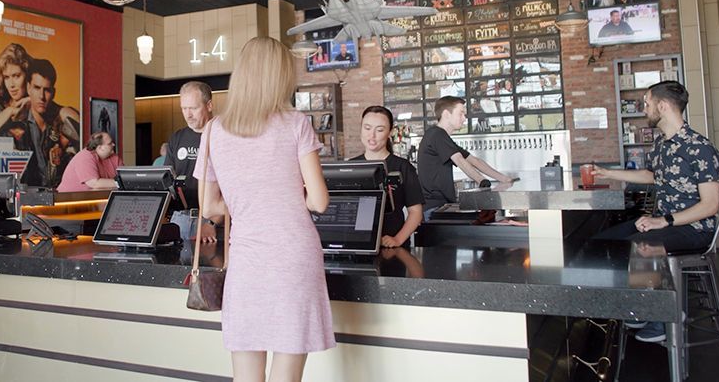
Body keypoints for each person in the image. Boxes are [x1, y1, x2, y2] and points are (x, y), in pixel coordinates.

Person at [195, 36, 334, 381]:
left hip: (246, 261)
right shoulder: (295, 123)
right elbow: (318, 201)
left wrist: (248, 200)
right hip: (293, 257)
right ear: (280, 76)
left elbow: (209, 206)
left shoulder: (213, 130)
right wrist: (285, 196)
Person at [592, 81, 719, 344]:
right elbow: (651, 175)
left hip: (694, 229)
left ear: (662, 106)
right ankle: (639, 305)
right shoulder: (662, 143)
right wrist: (609, 173)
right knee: (602, 243)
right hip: (665, 224)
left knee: (640, 247)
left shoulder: (700, 147)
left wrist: (663, 221)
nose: (644, 109)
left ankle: (663, 315)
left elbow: (711, 205)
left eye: (647, 103)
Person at [420, 96, 514, 220]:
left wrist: (504, 179)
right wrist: (481, 180)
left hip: (441, 206)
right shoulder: (437, 134)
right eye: (460, 114)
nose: (464, 118)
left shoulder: (442, 137)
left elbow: (474, 161)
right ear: (446, 114)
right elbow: (459, 160)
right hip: (434, 208)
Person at [348, 106, 424, 248]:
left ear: (390, 132)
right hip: (357, 244)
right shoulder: (350, 167)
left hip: (392, 247)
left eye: (380, 130)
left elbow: (416, 212)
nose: (372, 135)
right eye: (367, 128)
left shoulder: (403, 167)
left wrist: (397, 240)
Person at [164, 81, 218, 243]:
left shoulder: (222, 135)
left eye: (193, 108)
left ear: (209, 105)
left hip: (212, 220)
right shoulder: (177, 137)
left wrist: (212, 222)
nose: (188, 115)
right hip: (179, 218)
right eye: (184, 108)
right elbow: (167, 179)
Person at [18, 58, 79, 187]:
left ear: (53, 93)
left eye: (47, 90)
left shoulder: (60, 119)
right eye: (37, 88)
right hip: (27, 194)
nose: (41, 96)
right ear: (28, 88)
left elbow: (86, 135)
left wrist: (62, 110)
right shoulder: (18, 124)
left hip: (58, 193)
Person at [57, 132, 123, 191]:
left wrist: (123, 182)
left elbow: (124, 177)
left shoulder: (114, 157)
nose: (113, 145)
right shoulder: (85, 156)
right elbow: (94, 183)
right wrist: (120, 183)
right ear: (100, 148)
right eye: (110, 143)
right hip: (67, 198)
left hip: (97, 198)